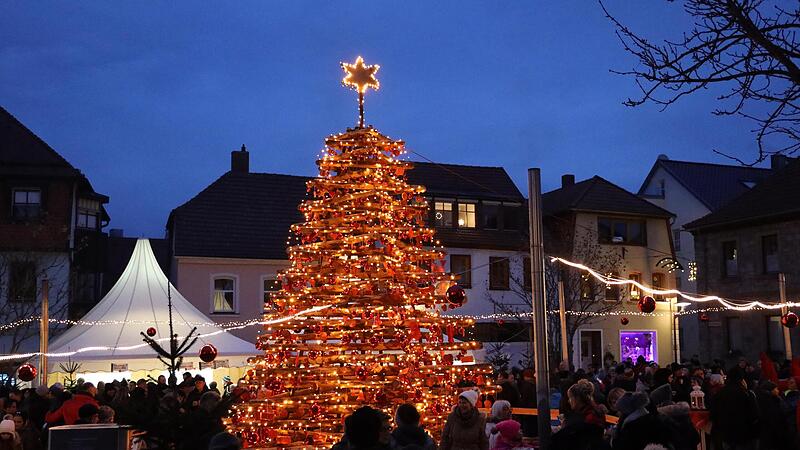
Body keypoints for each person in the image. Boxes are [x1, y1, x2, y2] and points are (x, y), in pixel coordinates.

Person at [709, 367, 760, 450]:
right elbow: (754, 414)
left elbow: (713, 415)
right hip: (743, 435)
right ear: (741, 379)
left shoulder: (720, 394)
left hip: (726, 434)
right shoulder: (746, 393)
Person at [550, 379, 607, 450]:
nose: (569, 401)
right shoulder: (590, 411)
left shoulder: (587, 416)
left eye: (570, 398)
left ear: (577, 399)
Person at [516, 369, 537, 437]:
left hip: (527, 412)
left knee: (528, 432)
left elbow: (524, 399)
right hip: (535, 411)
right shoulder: (536, 384)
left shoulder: (526, 385)